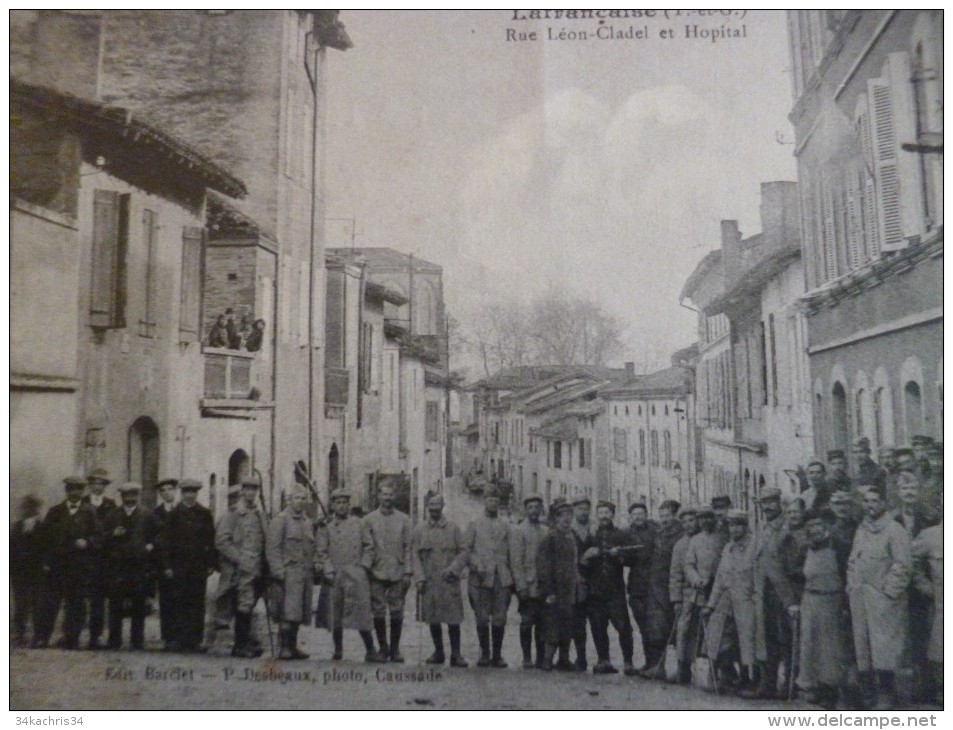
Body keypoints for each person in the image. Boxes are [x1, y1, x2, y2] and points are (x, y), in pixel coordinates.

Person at [847, 487, 912, 710]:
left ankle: (887, 694)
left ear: (883, 503)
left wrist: (888, 594)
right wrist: (852, 586)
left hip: (884, 601)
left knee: (885, 648)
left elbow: (903, 566)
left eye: (875, 501)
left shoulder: (895, 530)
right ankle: (868, 694)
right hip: (860, 598)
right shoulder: (861, 530)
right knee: (863, 646)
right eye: (866, 501)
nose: (870, 505)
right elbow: (853, 561)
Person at [742, 488, 799, 700]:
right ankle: (768, 684)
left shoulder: (787, 528)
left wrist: (791, 599)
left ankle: (789, 684)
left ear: (779, 503)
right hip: (764, 592)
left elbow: (791, 565)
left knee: (786, 639)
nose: (767, 507)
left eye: (771, 502)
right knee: (766, 639)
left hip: (783, 593)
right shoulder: (762, 527)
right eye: (763, 503)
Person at [34, 476, 101, 650]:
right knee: (50, 602)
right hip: (57, 566)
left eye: (79, 489)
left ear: (83, 491)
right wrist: (46, 562)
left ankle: (72, 638)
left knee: (76, 603)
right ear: (66, 491)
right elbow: (44, 539)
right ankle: (42, 637)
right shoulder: (55, 511)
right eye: (71, 489)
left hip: (79, 566)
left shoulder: (90, 511)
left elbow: (98, 536)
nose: (75, 493)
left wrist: (87, 542)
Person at [796, 508, 852, 710]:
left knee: (831, 648)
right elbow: (797, 574)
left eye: (818, 524)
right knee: (810, 646)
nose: (815, 529)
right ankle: (815, 687)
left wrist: (845, 604)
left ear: (826, 525)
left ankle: (832, 690)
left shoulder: (839, 547)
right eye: (810, 526)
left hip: (832, 599)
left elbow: (849, 576)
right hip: (810, 600)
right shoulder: (805, 549)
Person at [892, 469, 938, 703]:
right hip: (898, 588)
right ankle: (900, 691)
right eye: (904, 488)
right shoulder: (891, 520)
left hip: (922, 589)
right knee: (898, 638)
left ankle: (926, 687)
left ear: (918, 492)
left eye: (913, 488)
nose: (909, 492)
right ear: (898, 492)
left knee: (924, 636)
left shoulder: (929, 519)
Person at [315, 491, 378, 662]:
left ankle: (371, 649)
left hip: (357, 574)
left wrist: (364, 566)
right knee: (335, 613)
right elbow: (321, 552)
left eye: (345, 502)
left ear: (349, 505)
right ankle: (338, 650)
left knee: (362, 613)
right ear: (333, 506)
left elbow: (369, 546)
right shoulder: (326, 527)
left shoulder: (359, 524)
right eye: (338, 502)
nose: (342, 506)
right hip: (336, 575)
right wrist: (327, 569)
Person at [412, 493, 469, 667]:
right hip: (429, 582)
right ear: (427, 507)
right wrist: (420, 578)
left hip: (449, 581)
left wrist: (454, 569)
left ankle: (456, 654)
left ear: (443, 506)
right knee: (433, 618)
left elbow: (464, 551)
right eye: (431, 505)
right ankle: (438, 652)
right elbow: (414, 557)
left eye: (438, 505)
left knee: (453, 620)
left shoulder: (453, 529)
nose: (435, 509)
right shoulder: (419, 530)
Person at [703, 509, 756, 694]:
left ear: (745, 526)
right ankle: (718, 675)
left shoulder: (754, 547)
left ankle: (749, 679)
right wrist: (710, 604)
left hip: (746, 601)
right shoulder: (727, 549)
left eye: (738, 525)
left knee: (747, 642)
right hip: (725, 602)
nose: (734, 530)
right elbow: (719, 579)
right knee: (719, 638)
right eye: (731, 526)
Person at [159, 479, 215, 653]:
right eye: (186, 492)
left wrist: (211, 563)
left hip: (197, 566)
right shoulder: (174, 514)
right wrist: (167, 565)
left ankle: (194, 640)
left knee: (196, 603)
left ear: (196, 493)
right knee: (177, 602)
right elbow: (165, 542)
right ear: (182, 494)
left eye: (193, 492)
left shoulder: (204, 514)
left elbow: (210, 540)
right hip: (178, 566)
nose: (190, 495)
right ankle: (175, 639)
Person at [582, 501, 637, 676]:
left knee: (624, 627)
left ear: (612, 515)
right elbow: (580, 561)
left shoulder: (621, 534)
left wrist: (620, 555)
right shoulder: (590, 536)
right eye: (601, 513)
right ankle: (603, 660)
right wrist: (587, 556)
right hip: (595, 590)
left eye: (607, 512)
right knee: (598, 626)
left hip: (615, 590)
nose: (604, 516)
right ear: (596, 515)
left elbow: (631, 558)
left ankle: (628, 662)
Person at [216, 476, 268, 658]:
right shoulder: (233, 513)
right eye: (248, 489)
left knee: (250, 603)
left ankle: (247, 641)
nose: (251, 493)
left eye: (254, 489)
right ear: (242, 491)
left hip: (258, 568)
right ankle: (239, 645)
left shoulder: (259, 513)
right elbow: (222, 541)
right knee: (243, 603)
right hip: (240, 569)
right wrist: (239, 559)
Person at [462, 486, 514, 667]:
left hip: (502, 577)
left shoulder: (506, 526)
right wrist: (476, 563)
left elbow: (512, 553)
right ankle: (485, 654)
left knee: (500, 616)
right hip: (481, 578)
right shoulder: (474, 524)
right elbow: (466, 551)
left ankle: (497, 655)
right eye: (489, 500)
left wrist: (513, 580)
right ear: (484, 501)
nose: (493, 503)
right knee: (482, 616)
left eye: (496, 501)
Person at [361, 484, 413, 663]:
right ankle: (383, 648)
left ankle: (395, 649)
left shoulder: (405, 520)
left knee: (397, 611)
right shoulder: (368, 520)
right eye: (384, 494)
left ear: (395, 496)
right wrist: (366, 570)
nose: (387, 498)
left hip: (397, 571)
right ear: (378, 496)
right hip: (376, 571)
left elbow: (408, 547)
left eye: (391, 494)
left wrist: (408, 571)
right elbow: (366, 546)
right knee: (378, 611)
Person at [266, 484, 318, 660]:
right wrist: (278, 571)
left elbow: (311, 547)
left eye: (304, 498)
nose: (301, 502)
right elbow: (273, 549)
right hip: (288, 572)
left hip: (304, 572)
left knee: (299, 611)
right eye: (297, 498)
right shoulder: (280, 520)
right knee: (287, 612)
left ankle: (293, 646)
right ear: (289, 500)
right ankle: (284, 647)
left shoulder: (307, 522)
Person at [101, 482, 151, 650]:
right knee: (115, 603)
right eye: (127, 495)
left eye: (133, 495)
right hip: (118, 567)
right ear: (122, 497)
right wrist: (112, 534)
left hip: (138, 566)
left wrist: (150, 545)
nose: (130, 498)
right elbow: (101, 537)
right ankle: (114, 640)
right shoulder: (113, 515)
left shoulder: (146, 514)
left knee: (138, 603)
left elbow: (160, 534)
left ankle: (137, 641)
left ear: (138, 496)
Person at [638, 499, 683, 678]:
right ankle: (659, 668)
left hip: (672, 587)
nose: (664, 519)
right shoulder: (659, 533)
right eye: (661, 515)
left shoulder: (680, 535)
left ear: (675, 516)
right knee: (657, 629)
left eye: (667, 515)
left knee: (679, 631)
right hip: (656, 589)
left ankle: (682, 670)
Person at [536, 501, 582, 671]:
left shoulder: (571, 537)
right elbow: (543, 566)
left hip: (569, 590)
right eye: (562, 516)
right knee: (552, 625)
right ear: (555, 519)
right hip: (554, 590)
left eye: (569, 516)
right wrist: (548, 591)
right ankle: (547, 660)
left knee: (567, 624)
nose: (566, 520)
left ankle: (564, 659)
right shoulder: (550, 538)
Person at [510, 494, 549, 669]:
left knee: (542, 622)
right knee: (527, 622)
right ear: (525, 510)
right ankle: (527, 657)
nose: (534, 511)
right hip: (527, 583)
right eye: (530, 508)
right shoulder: (518, 530)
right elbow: (516, 561)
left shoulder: (545, 531)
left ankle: (541, 657)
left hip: (543, 585)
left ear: (541, 509)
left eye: (537, 507)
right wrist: (521, 586)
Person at [82, 468, 116, 650]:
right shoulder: (83, 502)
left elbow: (115, 527)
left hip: (104, 559)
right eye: (95, 483)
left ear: (105, 486)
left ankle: (96, 636)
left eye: (102, 483)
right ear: (90, 485)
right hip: (84, 556)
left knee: (98, 598)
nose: (98, 486)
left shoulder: (111, 505)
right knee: (78, 596)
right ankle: (72, 634)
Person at [911, 513, 943, 707]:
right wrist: (927, 589)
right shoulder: (930, 536)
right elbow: (912, 564)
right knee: (939, 651)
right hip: (942, 605)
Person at [145, 478, 178, 649]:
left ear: (175, 491)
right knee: (166, 600)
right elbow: (151, 537)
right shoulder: (155, 513)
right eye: (163, 490)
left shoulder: (181, 510)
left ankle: (183, 637)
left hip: (180, 562)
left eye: (170, 489)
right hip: (162, 562)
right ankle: (168, 638)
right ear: (160, 494)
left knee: (181, 599)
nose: (167, 493)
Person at [624, 500, 656, 670]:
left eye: (641, 514)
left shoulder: (655, 531)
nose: (638, 517)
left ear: (646, 515)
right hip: (637, 586)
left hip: (655, 586)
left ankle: (656, 663)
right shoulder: (627, 534)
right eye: (634, 514)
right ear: (630, 517)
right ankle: (649, 662)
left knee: (655, 625)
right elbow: (624, 559)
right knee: (643, 625)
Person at [669, 504, 700, 684]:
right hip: (687, 593)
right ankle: (683, 667)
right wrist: (676, 599)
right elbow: (675, 574)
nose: (689, 524)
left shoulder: (705, 540)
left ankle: (721, 671)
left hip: (706, 592)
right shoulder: (680, 546)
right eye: (685, 522)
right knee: (683, 630)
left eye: (692, 520)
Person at [11, 494, 43, 647]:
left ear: (37, 510)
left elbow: (46, 548)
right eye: (27, 507)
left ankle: (37, 636)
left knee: (37, 604)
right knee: (20, 603)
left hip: (37, 572)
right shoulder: (15, 527)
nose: (29, 511)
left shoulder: (42, 527)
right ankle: (20, 634)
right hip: (19, 572)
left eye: (33, 507)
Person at [569, 496, 594, 672]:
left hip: (595, 580)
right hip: (576, 581)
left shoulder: (595, 528)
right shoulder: (569, 530)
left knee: (597, 620)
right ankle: (581, 657)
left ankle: (603, 659)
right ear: (574, 511)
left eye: (586, 509)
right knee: (577, 622)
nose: (583, 512)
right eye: (579, 509)